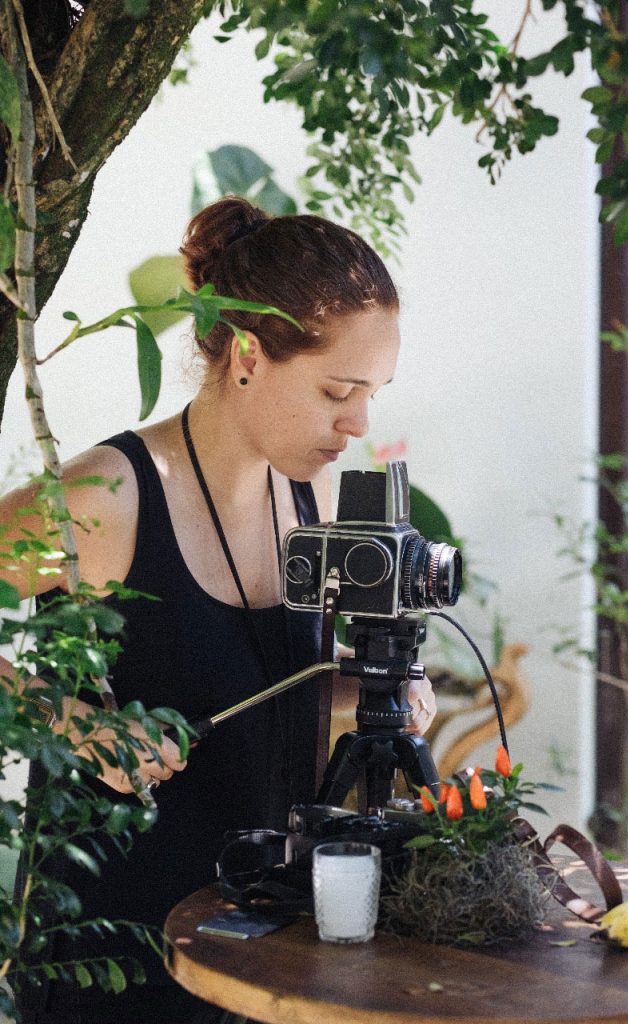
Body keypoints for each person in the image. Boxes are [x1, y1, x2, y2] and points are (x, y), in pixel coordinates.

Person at [0, 196, 437, 1024]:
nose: (359, 422)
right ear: (245, 355)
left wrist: (372, 693)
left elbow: (251, 686)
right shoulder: (111, 493)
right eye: (338, 389)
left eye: (373, 391)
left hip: (266, 954)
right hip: (118, 965)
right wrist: (74, 723)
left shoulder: (302, 491)